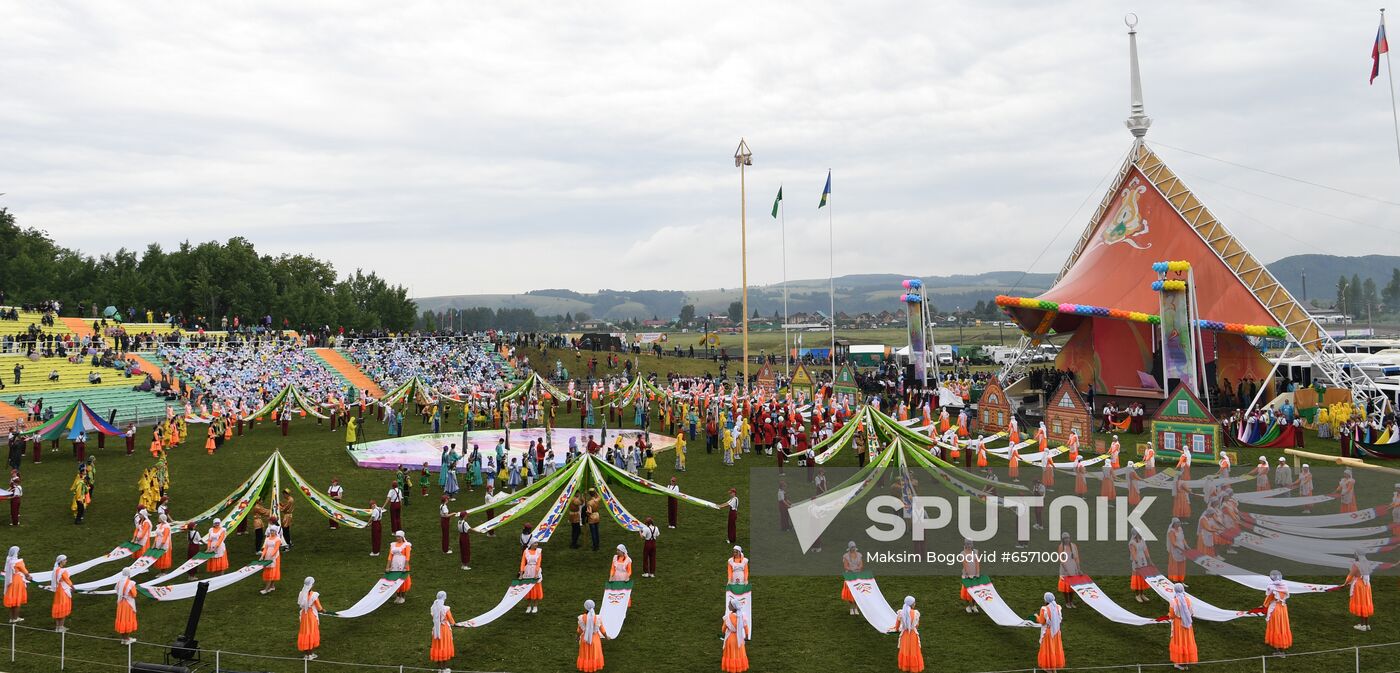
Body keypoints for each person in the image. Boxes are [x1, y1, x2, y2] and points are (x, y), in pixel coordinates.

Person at [1168, 583, 1197, 669]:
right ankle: (1185, 663)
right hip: (1187, 624)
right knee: (1187, 641)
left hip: (1178, 624)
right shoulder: (1188, 599)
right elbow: (1191, 612)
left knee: (1179, 641)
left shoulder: (1173, 601)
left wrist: (1169, 615)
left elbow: (1172, 615)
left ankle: (1179, 663)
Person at [1263, 570, 1292, 655]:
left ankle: (1277, 647)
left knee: (1276, 626)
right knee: (1282, 626)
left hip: (1275, 608)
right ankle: (1282, 643)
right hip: (1283, 608)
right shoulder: (1285, 586)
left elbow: (1268, 599)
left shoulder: (1272, 588)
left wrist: (1264, 606)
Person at [891, 595, 923, 672]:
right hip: (913, 635)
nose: (915, 603)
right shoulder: (916, 613)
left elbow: (897, 626)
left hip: (904, 635)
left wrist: (897, 628)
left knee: (905, 650)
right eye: (914, 602)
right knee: (914, 651)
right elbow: (917, 625)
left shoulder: (901, 613)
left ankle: (905, 666)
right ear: (911, 604)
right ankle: (914, 667)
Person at [1035, 592, 1065, 672]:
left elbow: (1042, 621)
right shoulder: (1058, 607)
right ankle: (1054, 669)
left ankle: (1048, 668)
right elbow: (1059, 619)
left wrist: (1037, 617)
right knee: (1055, 649)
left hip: (1048, 633)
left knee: (1048, 650)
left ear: (1045, 600)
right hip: (1057, 632)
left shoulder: (1044, 609)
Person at [1345, 552, 1374, 631]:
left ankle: (1362, 625)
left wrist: (1345, 583)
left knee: (1361, 603)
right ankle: (1367, 625)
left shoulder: (1356, 565)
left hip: (1359, 586)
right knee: (1366, 603)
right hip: (1367, 586)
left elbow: (1350, 576)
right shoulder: (1367, 563)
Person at [577, 599, 606, 672]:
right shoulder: (598, 618)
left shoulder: (581, 618)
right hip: (595, 640)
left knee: (585, 655)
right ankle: (593, 667)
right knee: (594, 655)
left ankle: (586, 667)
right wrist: (607, 636)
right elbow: (602, 630)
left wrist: (578, 637)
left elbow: (579, 630)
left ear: (585, 607)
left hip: (585, 640)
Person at [298, 577, 322, 661]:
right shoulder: (314, 595)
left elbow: (300, 604)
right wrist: (323, 610)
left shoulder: (301, 593)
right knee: (311, 633)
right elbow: (319, 608)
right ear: (311, 585)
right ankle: (310, 654)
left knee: (305, 633)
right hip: (311, 617)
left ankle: (306, 655)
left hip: (304, 617)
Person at [721, 600, 749, 673]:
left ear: (733, 607)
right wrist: (746, 636)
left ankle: (731, 668)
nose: (728, 606)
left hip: (730, 638)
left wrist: (723, 633)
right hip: (739, 638)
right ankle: (739, 667)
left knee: (731, 654)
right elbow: (746, 627)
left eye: (729, 605)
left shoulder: (728, 617)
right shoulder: (742, 616)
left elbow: (723, 629)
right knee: (739, 653)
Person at [430, 591, 455, 671]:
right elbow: (451, 620)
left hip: (436, 630)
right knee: (444, 646)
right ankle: (444, 668)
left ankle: (440, 668)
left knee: (438, 647)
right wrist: (454, 624)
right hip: (444, 630)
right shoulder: (446, 609)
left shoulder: (433, 608)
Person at [4, 546, 30, 623]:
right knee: (17, 600)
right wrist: (29, 577)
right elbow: (26, 573)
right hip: (18, 582)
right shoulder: (18, 562)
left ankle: (12, 618)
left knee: (13, 600)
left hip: (11, 582)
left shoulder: (8, 560)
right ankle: (15, 618)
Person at [49, 555, 74, 632]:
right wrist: (72, 587)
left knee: (58, 607)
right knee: (63, 607)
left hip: (58, 590)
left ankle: (58, 626)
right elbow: (67, 580)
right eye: (65, 560)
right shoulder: (62, 571)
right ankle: (61, 626)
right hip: (63, 590)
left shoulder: (55, 570)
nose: (66, 561)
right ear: (61, 561)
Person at [115, 567, 139, 644]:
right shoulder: (131, 583)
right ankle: (127, 639)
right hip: (128, 604)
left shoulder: (119, 582)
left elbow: (117, 591)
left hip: (121, 603)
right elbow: (134, 594)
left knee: (122, 619)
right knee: (127, 619)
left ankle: (123, 638)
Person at [388, 530, 413, 603]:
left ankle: (403, 596)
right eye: (396, 537)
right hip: (394, 564)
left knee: (403, 580)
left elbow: (407, 557)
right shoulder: (393, 545)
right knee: (395, 579)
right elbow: (390, 556)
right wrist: (388, 566)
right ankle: (398, 595)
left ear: (402, 537)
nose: (397, 538)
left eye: (399, 537)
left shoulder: (406, 545)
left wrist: (405, 566)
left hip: (402, 564)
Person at [520, 540, 544, 613]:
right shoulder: (526, 552)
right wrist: (521, 574)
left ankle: (535, 606)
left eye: (537, 543)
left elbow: (538, 563)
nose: (536, 544)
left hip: (535, 571)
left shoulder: (539, 552)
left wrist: (536, 573)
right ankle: (529, 606)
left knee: (536, 588)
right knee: (528, 588)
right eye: (535, 543)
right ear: (531, 544)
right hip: (528, 571)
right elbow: (523, 562)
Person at [259, 522, 282, 594]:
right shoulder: (267, 539)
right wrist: (262, 556)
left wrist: (272, 556)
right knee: (269, 571)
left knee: (272, 571)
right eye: (271, 531)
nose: (272, 532)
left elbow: (276, 548)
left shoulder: (278, 539)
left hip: (275, 557)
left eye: (273, 531)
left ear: (275, 532)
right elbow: (265, 548)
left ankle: (266, 589)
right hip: (267, 556)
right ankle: (272, 586)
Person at [841, 541, 862, 615]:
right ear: (849, 548)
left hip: (857, 576)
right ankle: (851, 608)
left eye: (854, 547)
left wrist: (858, 569)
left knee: (857, 593)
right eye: (852, 547)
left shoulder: (859, 555)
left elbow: (861, 565)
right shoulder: (846, 556)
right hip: (849, 576)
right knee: (849, 593)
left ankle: (856, 608)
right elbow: (846, 566)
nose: (853, 549)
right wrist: (853, 570)